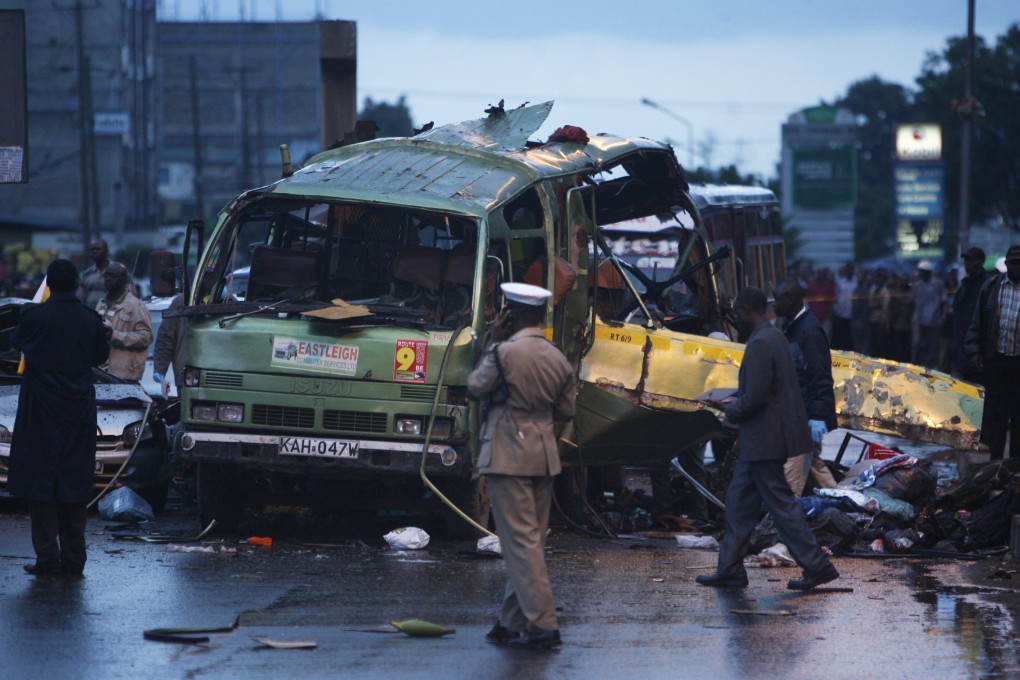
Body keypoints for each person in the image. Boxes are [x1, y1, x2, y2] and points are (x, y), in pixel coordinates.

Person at [696, 287, 838, 591]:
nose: (734, 315)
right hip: (762, 439)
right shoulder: (773, 336)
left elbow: (757, 396)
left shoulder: (761, 342)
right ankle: (730, 569)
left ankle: (817, 566)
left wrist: (729, 412)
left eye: (736, 309)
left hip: (765, 439)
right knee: (738, 504)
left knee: (782, 507)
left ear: (748, 309)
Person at [468, 282, 576, 649]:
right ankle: (510, 622)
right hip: (543, 454)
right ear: (542, 315)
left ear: (510, 315)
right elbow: (566, 410)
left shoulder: (504, 352)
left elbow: (476, 387)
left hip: (507, 453)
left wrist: (492, 344)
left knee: (520, 543)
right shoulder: (558, 357)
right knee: (529, 542)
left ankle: (545, 625)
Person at [9, 259, 110, 576]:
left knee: (40, 485)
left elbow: (17, 343)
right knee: (74, 482)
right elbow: (100, 357)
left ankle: (48, 559)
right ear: (77, 283)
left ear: (49, 284)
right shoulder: (89, 320)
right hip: (77, 412)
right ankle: (74, 560)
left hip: (39, 411)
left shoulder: (33, 316)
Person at [772, 280, 839, 497]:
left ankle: (783, 524)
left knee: (791, 481)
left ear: (791, 301)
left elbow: (820, 376)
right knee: (815, 467)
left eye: (778, 300)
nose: (774, 305)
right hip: (798, 415)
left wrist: (817, 416)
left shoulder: (809, 332)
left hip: (805, 418)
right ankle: (847, 504)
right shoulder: (792, 326)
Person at [964, 245, 1020, 460]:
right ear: (1006, 264)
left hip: (1018, 363)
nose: (1017, 267)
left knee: (1017, 417)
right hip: (995, 360)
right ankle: (995, 465)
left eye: (1019, 263)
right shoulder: (992, 288)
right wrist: (974, 352)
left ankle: (1014, 467)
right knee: (995, 415)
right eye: (1013, 262)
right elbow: (977, 323)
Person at [95, 262, 153, 381]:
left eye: (113, 276)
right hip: (99, 373)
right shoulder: (101, 303)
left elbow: (146, 337)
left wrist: (114, 335)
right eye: (106, 275)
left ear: (123, 280)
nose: (108, 279)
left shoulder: (136, 306)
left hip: (124, 375)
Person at [950, 247, 989, 382]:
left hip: (977, 351)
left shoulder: (987, 286)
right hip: (962, 349)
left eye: (971, 260)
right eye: (966, 260)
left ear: (981, 262)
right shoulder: (965, 286)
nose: (967, 263)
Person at [912, 260, 945, 369]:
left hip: (934, 320)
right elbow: (913, 302)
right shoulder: (917, 285)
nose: (920, 273)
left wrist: (942, 316)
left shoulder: (938, 284)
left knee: (933, 346)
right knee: (919, 345)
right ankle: (919, 366)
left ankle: (932, 367)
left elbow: (943, 301)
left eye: (922, 271)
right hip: (920, 320)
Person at [152, 293, 186, 391]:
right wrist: (159, 369)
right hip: (186, 377)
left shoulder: (227, 301)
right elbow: (166, 337)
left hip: (221, 377)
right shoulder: (182, 302)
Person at [78, 239, 117, 310]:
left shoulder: (118, 271)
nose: (94, 251)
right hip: (90, 317)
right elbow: (80, 299)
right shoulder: (87, 273)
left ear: (107, 251)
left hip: (111, 318)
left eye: (98, 249)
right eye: (92, 249)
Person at [831, 262, 856, 351]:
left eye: (851, 269)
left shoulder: (856, 282)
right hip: (840, 314)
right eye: (847, 269)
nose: (849, 271)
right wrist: (836, 309)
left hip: (852, 314)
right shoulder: (840, 282)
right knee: (841, 337)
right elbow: (835, 296)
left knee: (851, 338)